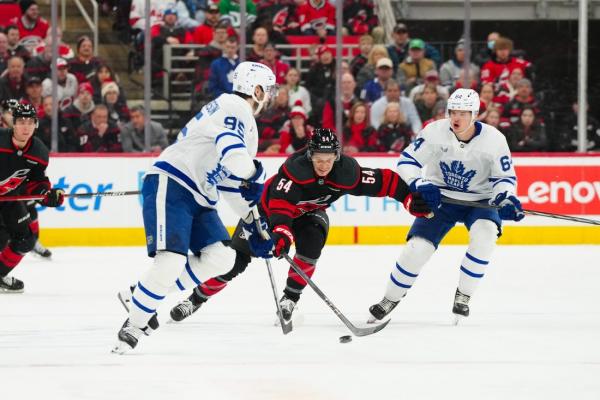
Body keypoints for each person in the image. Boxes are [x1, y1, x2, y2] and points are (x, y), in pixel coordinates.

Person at [167, 128, 432, 323]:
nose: (324, 165)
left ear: (337, 156)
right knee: (235, 262)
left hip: (310, 214)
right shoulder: (294, 171)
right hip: (266, 212)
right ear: (309, 154)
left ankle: (290, 299)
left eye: (329, 159)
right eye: (318, 158)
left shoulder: (346, 172)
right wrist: (282, 235)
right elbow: (281, 210)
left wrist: (409, 198)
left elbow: (385, 181)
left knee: (312, 242)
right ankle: (195, 299)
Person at [112, 61, 277, 353]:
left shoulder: (246, 125)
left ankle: (142, 295)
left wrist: (253, 220)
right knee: (171, 261)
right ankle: (133, 326)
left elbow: (229, 183)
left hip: (201, 195)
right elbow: (232, 151)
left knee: (222, 258)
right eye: (269, 89)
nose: (271, 97)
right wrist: (257, 175)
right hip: (173, 183)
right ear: (257, 89)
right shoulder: (233, 106)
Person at [368, 88, 524, 323]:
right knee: (417, 248)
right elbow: (407, 161)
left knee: (485, 237)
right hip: (441, 198)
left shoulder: (494, 140)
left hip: (480, 201)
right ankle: (390, 298)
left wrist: (506, 198)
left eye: (463, 112)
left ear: (475, 114)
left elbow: (504, 178)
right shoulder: (434, 132)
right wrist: (420, 183)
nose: (456, 118)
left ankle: (464, 295)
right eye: (453, 111)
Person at [0, 103, 64, 292]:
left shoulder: (40, 152)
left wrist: (47, 195)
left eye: (30, 122)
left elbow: (35, 182)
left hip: (8, 199)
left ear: (35, 124)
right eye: (21, 121)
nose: (25, 126)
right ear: (14, 123)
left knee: (26, 240)